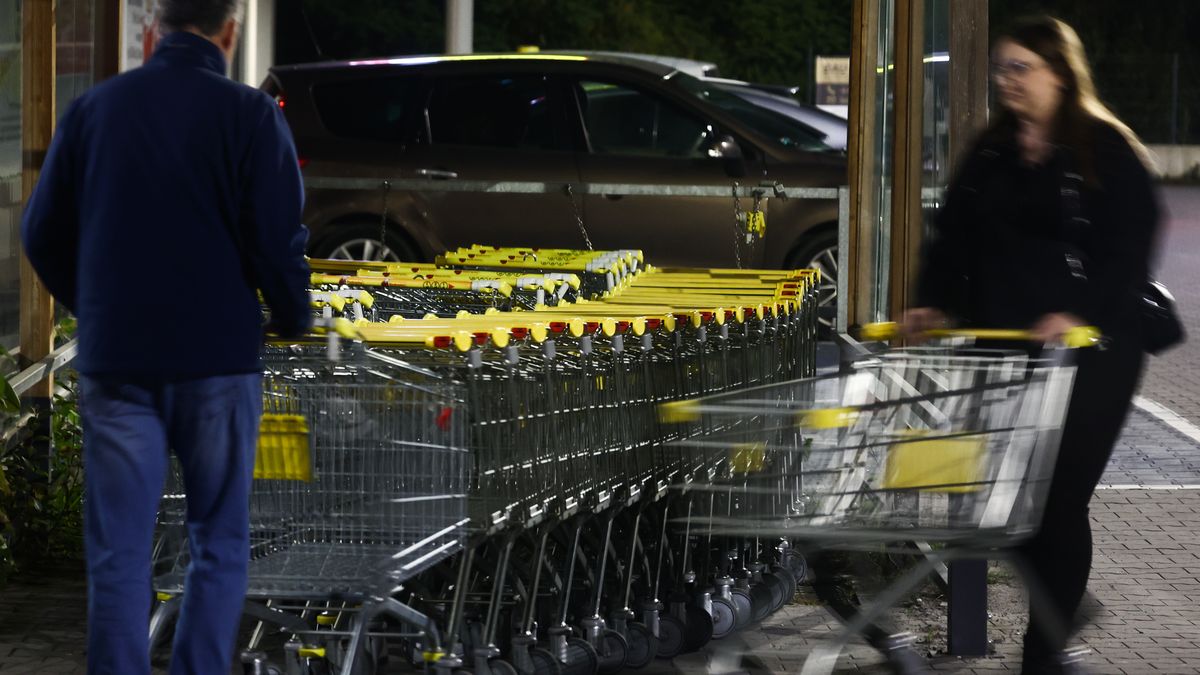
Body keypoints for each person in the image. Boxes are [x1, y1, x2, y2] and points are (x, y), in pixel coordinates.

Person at [20, 0, 312, 672]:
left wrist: (92, 306)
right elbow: (277, 240)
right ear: (229, 32)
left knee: (119, 551)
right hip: (218, 361)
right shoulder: (251, 117)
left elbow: (40, 232)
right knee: (218, 539)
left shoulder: (94, 111)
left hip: (118, 357)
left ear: (153, 31)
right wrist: (292, 315)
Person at [903, 15, 1160, 674]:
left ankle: (1042, 651)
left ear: (1060, 73)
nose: (1005, 81)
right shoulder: (991, 150)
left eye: (1020, 68)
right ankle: (1060, 603)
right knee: (1003, 498)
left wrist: (1077, 312)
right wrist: (931, 299)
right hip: (1002, 350)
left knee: (1059, 498)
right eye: (1000, 68)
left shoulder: (1107, 149)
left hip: (1093, 355)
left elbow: (1130, 251)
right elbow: (952, 234)